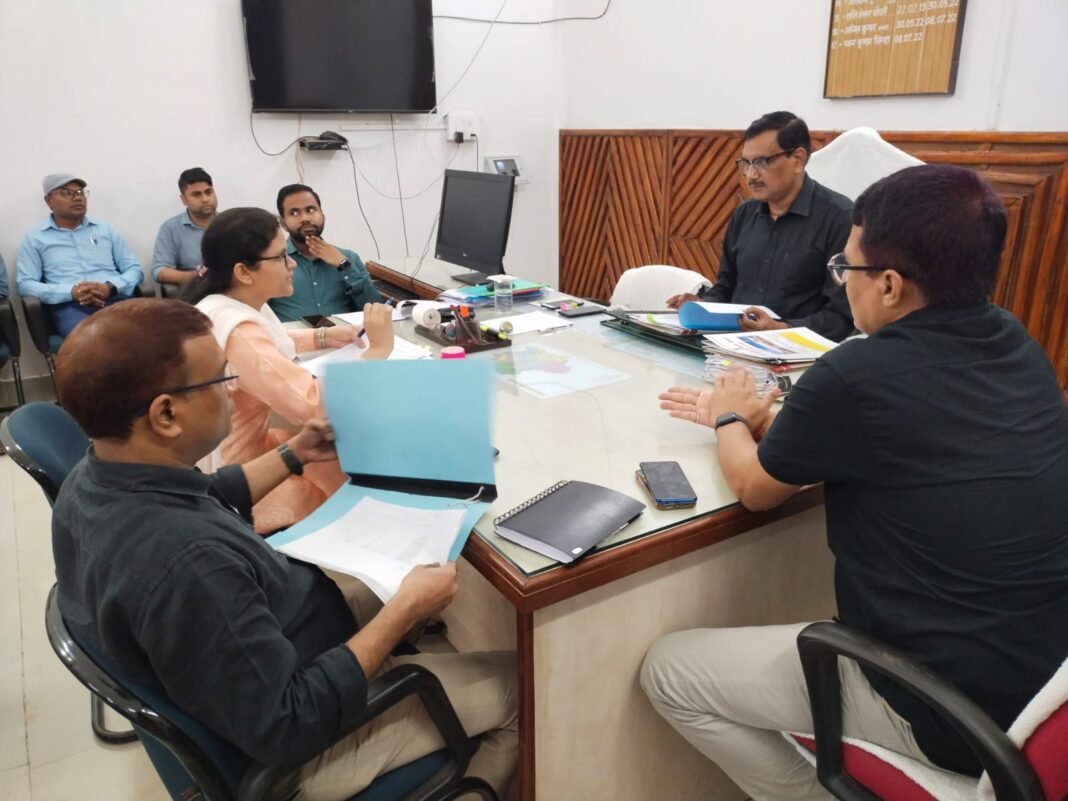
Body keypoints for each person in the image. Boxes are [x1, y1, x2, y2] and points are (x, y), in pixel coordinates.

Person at [646, 165, 1068, 799]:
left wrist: (729, 413)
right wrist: (774, 423)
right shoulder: (1017, 343)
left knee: (668, 672)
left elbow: (756, 489)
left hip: (944, 708)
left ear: (890, 285)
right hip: (1040, 690)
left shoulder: (857, 373)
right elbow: (913, 435)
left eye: (846, 269)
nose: (842, 282)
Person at [51, 299, 517, 799]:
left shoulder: (94, 478)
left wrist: (294, 453)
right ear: (166, 413)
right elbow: (289, 722)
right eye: (220, 379)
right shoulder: (191, 565)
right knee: (523, 686)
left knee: (405, 579)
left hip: (278, 640)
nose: (232, 390)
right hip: (300, 752)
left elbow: (207, 494)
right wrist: (404, 610)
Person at [183, 207, 393, 533]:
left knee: (336, 457)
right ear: (244, 272)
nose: (291, 263)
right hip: (244, 474)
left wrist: (322, 336)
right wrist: (378, 350)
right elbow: (310, 403)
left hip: (246, 449)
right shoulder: (239, 330)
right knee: (349, 463)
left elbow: (269, 342)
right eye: (281, 257)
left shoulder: (221, 304)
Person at [666, 112, 854, 341]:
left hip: (797, 351)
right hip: (731, 344)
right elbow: (726, 286)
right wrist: (704, 306)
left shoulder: (840, 218)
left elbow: (841, 317)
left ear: (797, 159)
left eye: (762, 162)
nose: (751, 174)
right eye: (746, 163)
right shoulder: (744, 214)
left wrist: (780, 328)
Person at [16, 173, 143, 335]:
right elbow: (25, 284)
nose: (77, 197)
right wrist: (71, 292)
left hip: (116, 299)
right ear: (48, 201)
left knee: (150, 331)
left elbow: (134, 270)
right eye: (67, 193)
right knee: (93, 337)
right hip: (71, 306)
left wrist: (109, 287)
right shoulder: (34, 238)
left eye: (80, 192)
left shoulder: (106, 230)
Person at [268, 183, 382, 323]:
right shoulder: (272, 261)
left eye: (311, 210)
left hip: (346, 334)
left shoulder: (348, 258)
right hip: (291, 336)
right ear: (283, 223)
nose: (305, 218)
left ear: (322, 216)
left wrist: (344, 265)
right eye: (294, 213)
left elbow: (376, 310)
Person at [152, 167, 219, 291]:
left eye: (209, 192)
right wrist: (196, 277)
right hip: (195, 291)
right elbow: (160, 271)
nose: (205, 199)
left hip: (232, 290)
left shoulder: (230, 224)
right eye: (196, 195)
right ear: (184, 200)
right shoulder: (171, 228)